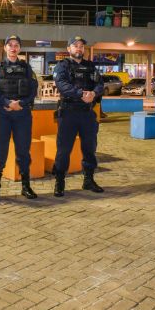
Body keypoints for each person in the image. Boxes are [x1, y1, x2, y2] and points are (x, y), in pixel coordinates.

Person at [0, 35, 39, 202]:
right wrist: (7, 103)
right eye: (10, 45)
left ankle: (26, 186)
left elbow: (33, 90)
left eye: (17, 45)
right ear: (6, 48)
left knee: (23, 151)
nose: (13, 48)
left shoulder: (27, 68)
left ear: (20, 48)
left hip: (22, 114)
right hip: (2, 114)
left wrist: (20, 103)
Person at [52, 36, 104, 198]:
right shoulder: (62, 66)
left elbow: (100, 84)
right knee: (63, 149)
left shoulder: (90, 67)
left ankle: (88, 180)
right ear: (69, 49)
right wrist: (81, 94)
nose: (79, 49)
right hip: (68, 113)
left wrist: (94, 93)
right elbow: (62, 85)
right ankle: (60, 182)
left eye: (81, 46)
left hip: (87, 113)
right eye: (75, 46)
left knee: (89, 148)